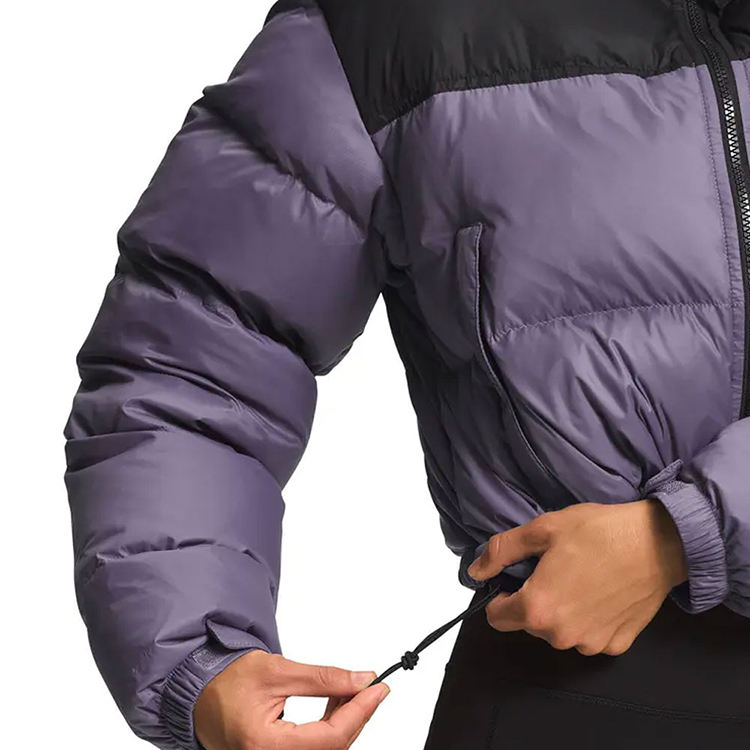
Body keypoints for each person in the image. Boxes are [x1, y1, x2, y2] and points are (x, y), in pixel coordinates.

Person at [64, 1, 750, 748]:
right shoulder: (385, 28)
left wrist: (684, 532)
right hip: (576, 682)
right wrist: (200, 662)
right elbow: (188, 359)